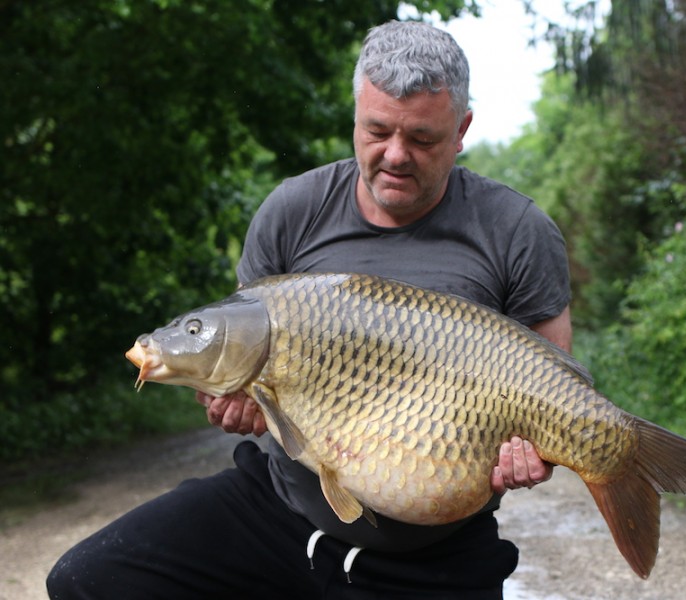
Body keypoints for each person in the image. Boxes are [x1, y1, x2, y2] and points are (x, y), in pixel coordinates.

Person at [47, 20, 571, 599]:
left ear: (462, 130)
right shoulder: (293, 211)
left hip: (435, 555)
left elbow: (552, 387)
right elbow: (239, 353)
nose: (396, 155)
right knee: (86, 580)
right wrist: (234, 402)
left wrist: (536, 453)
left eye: (422, 139)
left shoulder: (516, 231)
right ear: (355, 118)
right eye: (377, 131)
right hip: (281, 517)